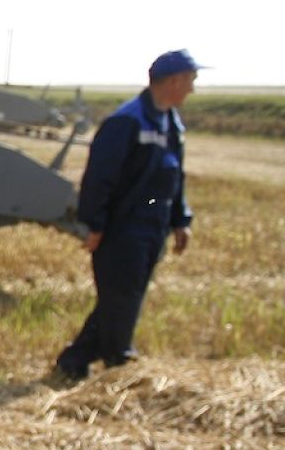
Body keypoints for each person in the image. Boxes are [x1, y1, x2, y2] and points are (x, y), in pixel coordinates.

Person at [54, 50, 199, 382]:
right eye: (190, 81)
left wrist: (181, 220)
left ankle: (76, 359)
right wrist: (94, 224)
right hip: (124, 227)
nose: (192, 89)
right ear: (174, 80)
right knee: (123, 296)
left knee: (123, 296)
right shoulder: (128, 120)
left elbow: (174, 177)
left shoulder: (171, 123)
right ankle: (118, 358)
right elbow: (99, 178)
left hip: (154, 226)